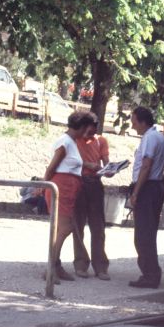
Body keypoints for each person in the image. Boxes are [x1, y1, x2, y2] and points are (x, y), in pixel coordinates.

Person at [43, 110, 95, 283]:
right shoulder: (65, 142)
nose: (87, 132)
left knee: (62, 228)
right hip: (61, 187)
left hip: (69, 188)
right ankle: (50, 268)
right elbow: (52, 167)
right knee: (66, 228)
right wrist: (43, 185)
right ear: (80, 127)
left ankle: (56, 266)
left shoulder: (71, 142)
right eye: (86, 128)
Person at [128, 106, 164, 289]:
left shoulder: (149, 138)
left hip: (147, 187)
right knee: (148, 232)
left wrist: (136, 191)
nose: (132, 125)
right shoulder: (160, 136)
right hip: (156, 185)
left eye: (134, 121)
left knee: (143, 235)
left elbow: (146, 165)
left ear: (143, 121)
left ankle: (150, 275)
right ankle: (151, 273)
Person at [72, 113, 111, 280]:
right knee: (78, 225)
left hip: (95, 183)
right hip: (79, 182)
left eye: (94, 129)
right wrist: (88, 165)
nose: (92, 132)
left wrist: (109, 169)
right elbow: (70, 161)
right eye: (89, 129)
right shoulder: (73, 140)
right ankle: (81, 263)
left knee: (98, 227)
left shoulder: (101, 141)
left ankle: (100, 265)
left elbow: (106, 162)